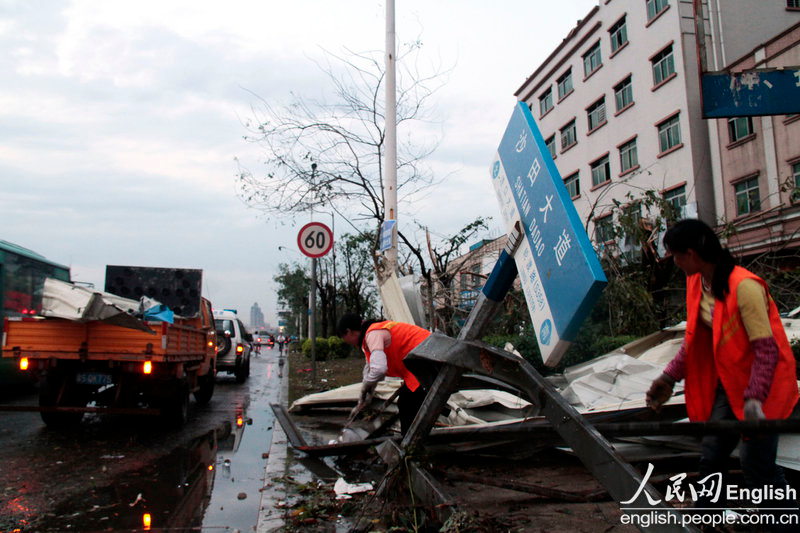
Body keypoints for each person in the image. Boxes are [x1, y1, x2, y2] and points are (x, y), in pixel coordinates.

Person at [646, 219, 798, 523]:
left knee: (758, 468)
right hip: (729, 387)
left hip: (763, 390)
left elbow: (766, 351)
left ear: (690, 253)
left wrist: (754, 400)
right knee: (712, 453)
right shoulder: (697, 282)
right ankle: (706, 519)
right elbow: (695, 340)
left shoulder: (745, 287)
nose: (674, 263)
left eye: (675, 255)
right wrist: (669, 376)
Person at [337, 313, 435, 434]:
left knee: (408, 403)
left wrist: (366, 388)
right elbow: (370, 371)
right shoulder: (371, 336)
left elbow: (379, 369)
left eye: (344, 338)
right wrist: (363, 400)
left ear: (349, 332)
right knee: (407, 402)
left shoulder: (373, 334)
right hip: (424, 362)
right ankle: (412, 441)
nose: (348, 343)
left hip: (430, 361)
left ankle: (412, 445)